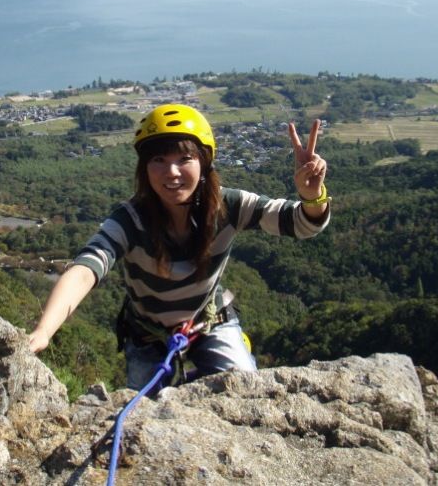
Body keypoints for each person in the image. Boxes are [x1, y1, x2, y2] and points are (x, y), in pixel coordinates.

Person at [28, 103, 330, 389]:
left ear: (204, 162)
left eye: (184, 159)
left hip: (210, 324)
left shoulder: (228, 207)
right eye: (158, 160)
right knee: (141, 414)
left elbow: (301, 224)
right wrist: (43, 331)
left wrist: (312, 196)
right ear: (145, 169)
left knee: (246, 392)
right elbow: (85, 270)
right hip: (147, 336)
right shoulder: (130, 220)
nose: (171, 172)